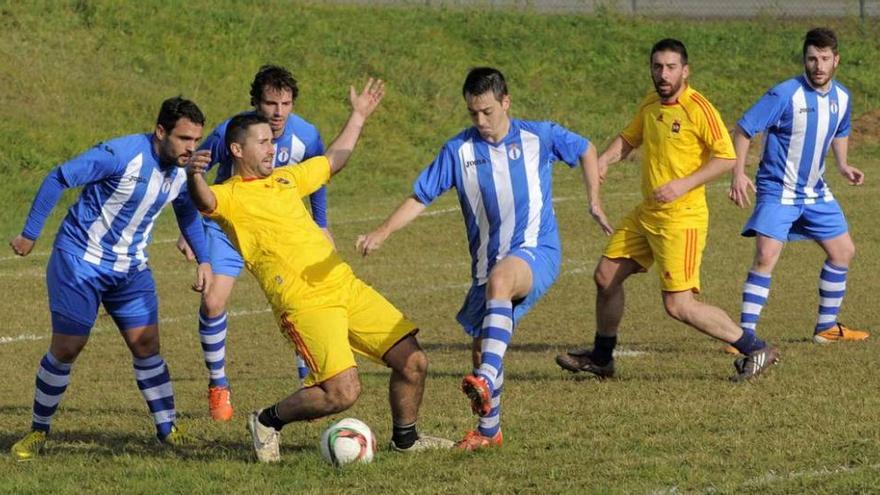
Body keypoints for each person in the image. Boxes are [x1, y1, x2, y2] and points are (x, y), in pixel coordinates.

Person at [186, 78, 453, 463]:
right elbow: (204, 199)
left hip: (343, 285)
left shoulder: (285, 178)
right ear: (236, 149)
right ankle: (266, 421)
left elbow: (333, 161)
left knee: (414, 362)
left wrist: (358, 116)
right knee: (342, 392)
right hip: (304, 303)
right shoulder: (229, 195)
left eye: (271, 141)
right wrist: (194, 174)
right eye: (261, 142)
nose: (271, 147)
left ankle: (406, 439)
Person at [356, 67, 611, 450]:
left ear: (505, 101)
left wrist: (593, 198)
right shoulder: (458, 150)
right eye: (473, 113)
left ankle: (487, 380)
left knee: (501, 284)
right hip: (485, 265)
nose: (481, 120)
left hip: (535, 250)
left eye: (488, 111)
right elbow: (420, 196)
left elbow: (586, 149)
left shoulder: (537, 136)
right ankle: (489, 430)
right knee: (481, 346)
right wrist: (383, 230)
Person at [555, 39, 778, 382]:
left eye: (671, 67)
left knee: (679, 306)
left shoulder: (698, 109)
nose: (663, 74)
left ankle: (755, 348)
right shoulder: (651, 103)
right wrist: (604, 160)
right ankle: (602, 358)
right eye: (657, 66)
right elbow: (629, 138)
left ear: (685, 71)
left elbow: (725, 157)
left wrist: (682, 184)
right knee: (605, 276)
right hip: (648, 214)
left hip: (681, 220)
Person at [8, 97, 213, 460]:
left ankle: (168, 430)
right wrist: (30, 232)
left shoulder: (184, 171)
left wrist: (204, 259)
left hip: (130, 268)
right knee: (68, 348)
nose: (191, 148)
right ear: (160, 131)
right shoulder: (120, 154)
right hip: (80, 262)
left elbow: (186, 208)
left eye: (195, 140)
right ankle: (38, 432)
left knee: (147, 345)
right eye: (183, 139)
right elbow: (59, 177)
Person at [177, 65, 327, 421]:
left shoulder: (306, 135)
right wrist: (189, 229)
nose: (278, 112)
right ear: (256, 102)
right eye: (270, 103)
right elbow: (197, 177)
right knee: (212, 301)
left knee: (300, 298)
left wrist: (322, 224)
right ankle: (219, 385)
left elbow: (319, 175)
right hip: (230, 226)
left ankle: (309, 377)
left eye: (285, 103)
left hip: (278, 234)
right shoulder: (232, 132)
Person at [728, 28, 868, 345]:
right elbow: (744, 129)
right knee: (766, 255)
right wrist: (738, 173)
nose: (818, 66)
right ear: (804, 60)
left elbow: (841, 129)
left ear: (836, 61)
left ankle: (826, 327)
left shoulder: (842, 97)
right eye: (812, 59)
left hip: (815, 191)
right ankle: (744, 336)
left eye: (824, 59)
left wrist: (843, 165)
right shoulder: (785, 94)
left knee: (843, 251)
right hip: (778, 189)